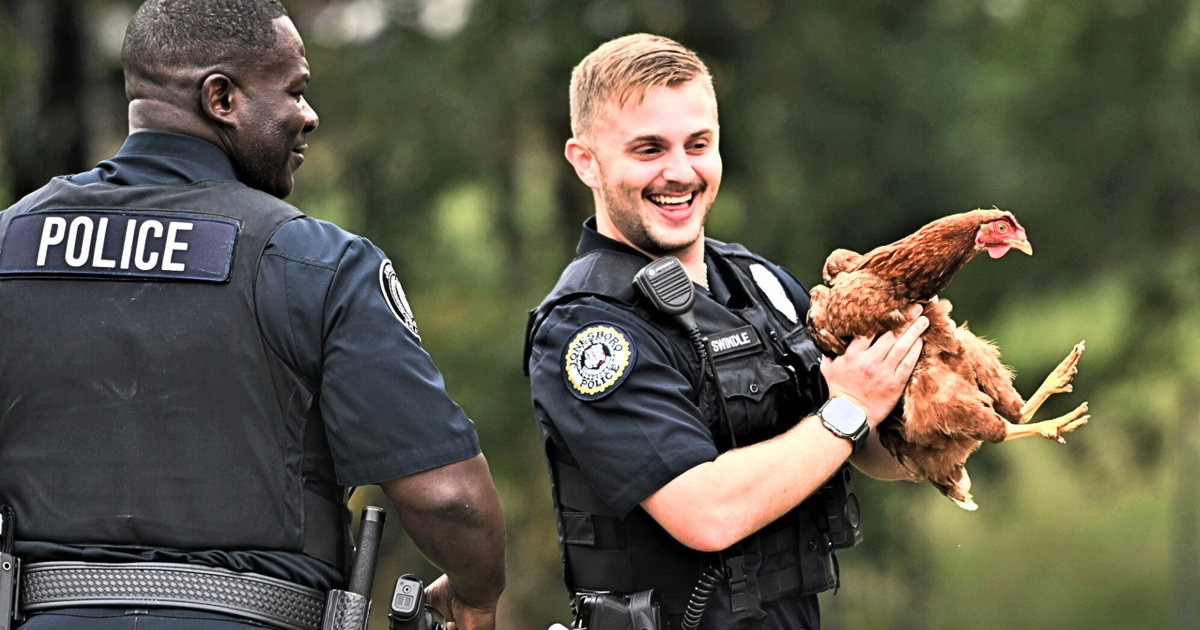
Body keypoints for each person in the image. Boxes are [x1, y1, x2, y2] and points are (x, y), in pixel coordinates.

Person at [0, 1, 505, 629]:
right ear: (222, 98)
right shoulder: (317, 263)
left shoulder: (8, 245)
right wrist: (477, 594)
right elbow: (450, 498)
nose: (309, 115)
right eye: (295, 91)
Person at [524, 34, 928, 630]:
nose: (679, 172)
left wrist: (945, 412)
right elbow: (706, 512)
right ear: (586, 160)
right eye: (648, 149)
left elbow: (870, 451)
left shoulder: (759, 281)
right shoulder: (588, 328)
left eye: (698, 144)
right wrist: (851, 408)